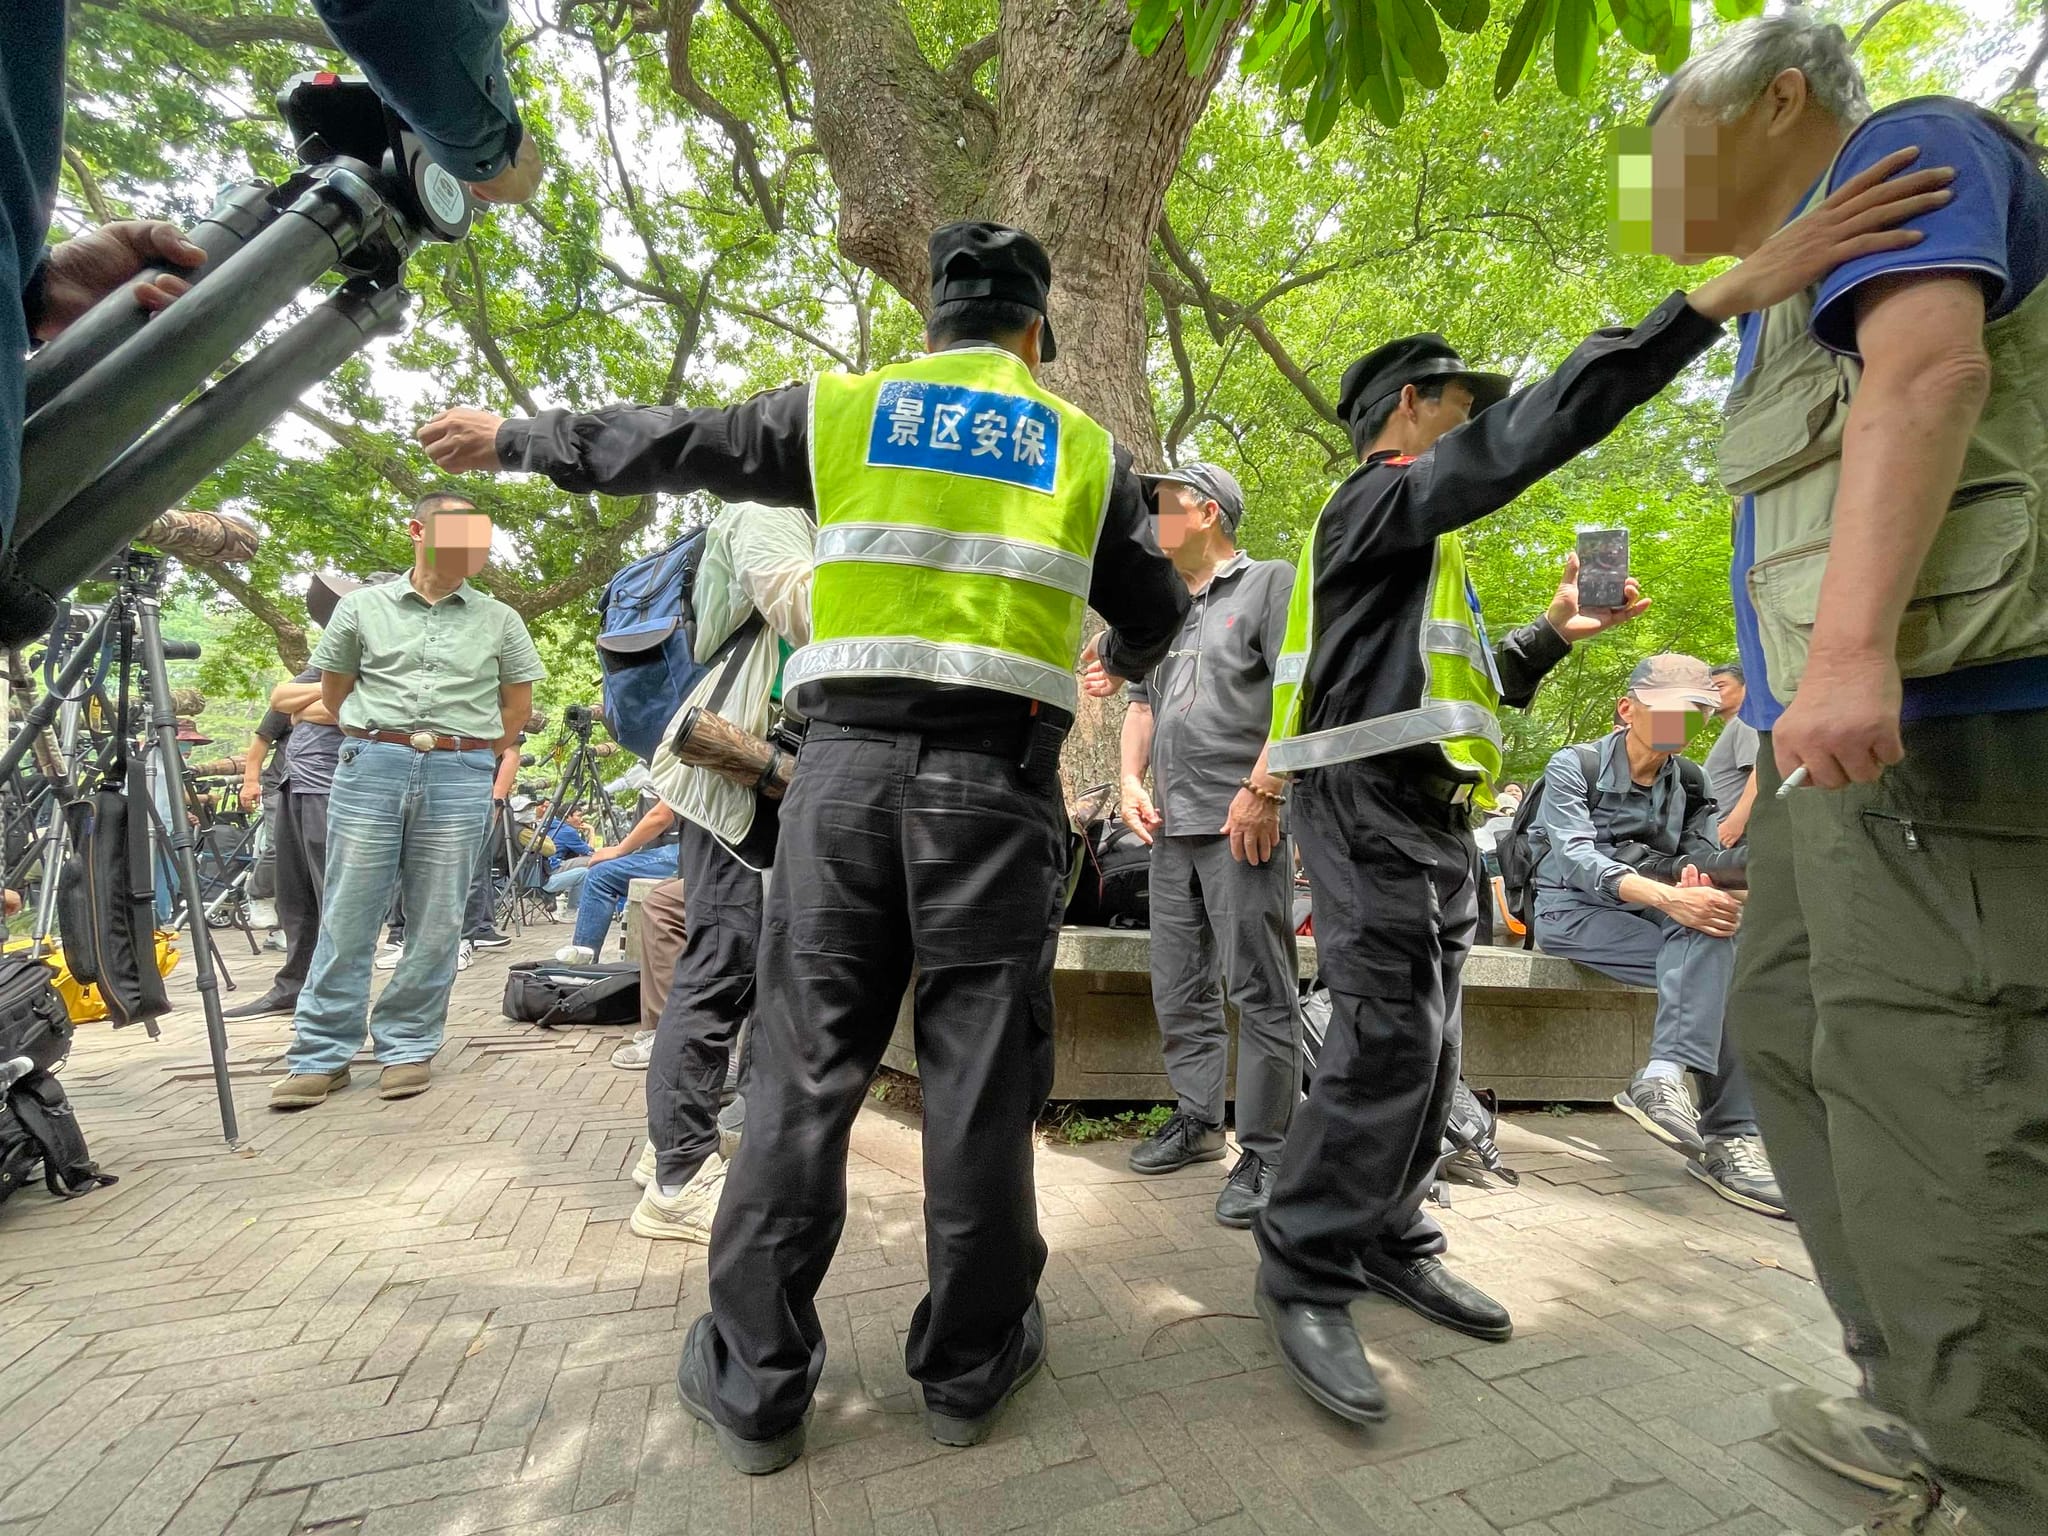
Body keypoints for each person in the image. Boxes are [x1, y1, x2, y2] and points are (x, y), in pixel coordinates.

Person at [420, 221, 1185, 1473]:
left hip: (840, 782)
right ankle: (969, 1368)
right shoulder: (1083, 449)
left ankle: (757, 1383)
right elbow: (1157, 607)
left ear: (929, 321)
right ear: (1035, 332)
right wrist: (1121, 652)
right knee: (981, 1080)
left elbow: (674, 438)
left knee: (802, 1069)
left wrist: (517, 438)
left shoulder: (839, 411)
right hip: (996, 791)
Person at [1245, 158, 1947, 1432]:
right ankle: (1301, 1264)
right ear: (1408, 408)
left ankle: (1390, 1232)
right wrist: (1706, 304)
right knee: (1385, 1039)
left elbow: (1455, 692)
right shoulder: (1370, 504)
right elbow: (1531, 437)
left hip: (1420, 813)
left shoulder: (1411, 551)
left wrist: (1554, 634)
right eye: (1461, 407)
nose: (1476, 423)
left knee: (1430, 1042)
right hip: (1360, 807)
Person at [1651, 15, 2046, 1532]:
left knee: (1941, 1083)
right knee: (1791, 1036)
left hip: (1943, 716)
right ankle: (1916, 1395)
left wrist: (1852, 652)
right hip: (1822, 753)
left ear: (1780, 100)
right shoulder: (1785, 282)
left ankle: (2002, 1477)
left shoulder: (1910, 148)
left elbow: (1932, 372)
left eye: (1670, 147)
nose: (1655, 185)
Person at [0, 1, 543, 639]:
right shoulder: (370, 609)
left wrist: (35, 289)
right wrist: (492, 151)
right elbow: (406, 18)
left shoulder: (491, 622)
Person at [267, 492, 543, 1111]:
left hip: (459, 771)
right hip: (371, 763)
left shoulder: (501, 619)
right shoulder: (361, 608)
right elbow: (334, 696)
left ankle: (408, 1044)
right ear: (419, 530)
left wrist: (463, 750)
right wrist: (387, 738)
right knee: (348, 912)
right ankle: (321, 1055)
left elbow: (517, 711)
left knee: (438, 916)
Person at [1085, 462, 1300, 1229]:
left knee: (1260, 988)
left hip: (1243, 822)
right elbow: (1141, 705)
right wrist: (1130, 780)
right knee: (1178, 985)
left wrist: (1267, 789)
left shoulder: (1271, 584)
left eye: (1165, 506)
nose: (1152, 521)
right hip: (1169, 830)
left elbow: (1298, 691)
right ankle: (1199, 1120)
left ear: (1208, 512)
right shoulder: (1165, 605)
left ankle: (1270, 1149)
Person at [620, 497, 815, 1240]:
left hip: (763, 782)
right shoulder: (767, 510)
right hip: (733, 778)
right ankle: (677, 1182)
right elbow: (805, 609)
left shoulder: (801, 519)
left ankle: (669, 1146)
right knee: (721, 968)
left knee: (751, 969)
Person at [1526, 654, 1784, 1217]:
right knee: (1713, 953)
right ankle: (1727, 1133)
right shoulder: (1576, 764)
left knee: (1720, 938)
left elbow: (1702, 859)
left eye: (1698, 711)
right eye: (1671, 709)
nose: (1684, 722)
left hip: (1653, 915)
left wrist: (1745, 880)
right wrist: (1669, 898)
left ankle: (1668, 1081)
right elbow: (1575, 857)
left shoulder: (1690, 779)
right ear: (1628, 709)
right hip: (1572, 913)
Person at [551, 801, 681, 964]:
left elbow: (661, 815)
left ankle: (581, 965)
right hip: (558, 869)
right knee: (592, 867)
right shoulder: (567, 831)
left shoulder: (561, 830)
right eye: (578, 815)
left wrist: (620, 849)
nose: (581, 818)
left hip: (700, 850)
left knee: (598, 875)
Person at [237, 706, 292, 937]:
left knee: (310, 858)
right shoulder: (294, 696)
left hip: (325, 786)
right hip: (280, 786)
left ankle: (284, 930)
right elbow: (261, 740)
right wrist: (250, 782)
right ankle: (259, 893)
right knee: (280, 845)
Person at [1703, 662, 1760, 848]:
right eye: (1709, 689)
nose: (1713, 694)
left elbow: (1760, 771)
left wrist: (1734, 824)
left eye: (1720, 686)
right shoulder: (1735, 725)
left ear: (1746, 686)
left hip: (1732, 835)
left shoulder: (1744, 722)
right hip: (1719, 832)